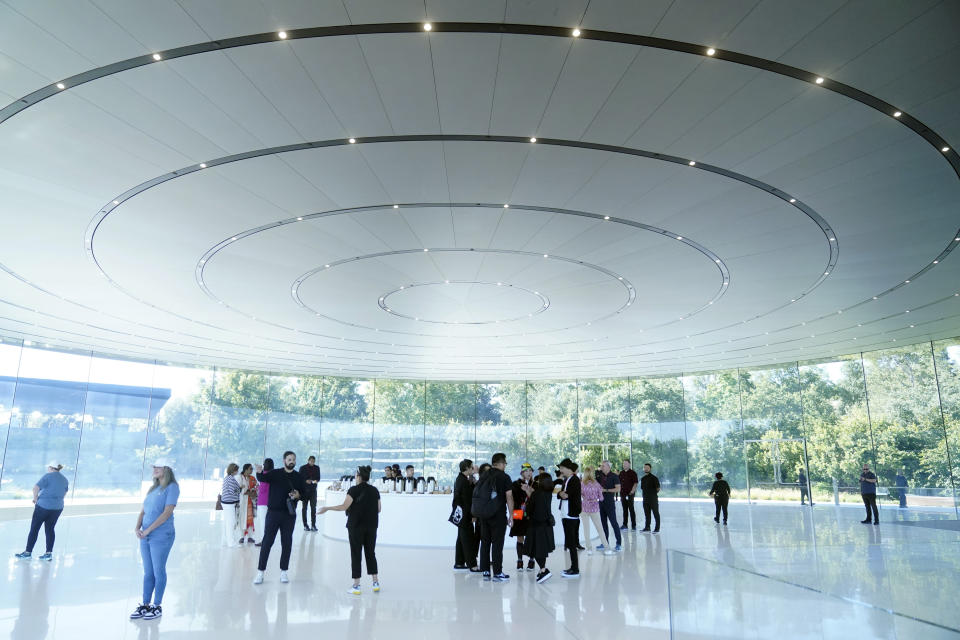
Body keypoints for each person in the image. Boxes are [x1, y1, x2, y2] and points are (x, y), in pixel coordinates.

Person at [130, 459, 179, 621]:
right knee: (148, 572)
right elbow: (143, 511)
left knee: (158, 571)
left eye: (157, 467)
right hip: (145, 535)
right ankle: (145, 604)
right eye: (154, 467)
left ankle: (157, 606)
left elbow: (166, 513)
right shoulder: (153, 488)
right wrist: (137, 528)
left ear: (166, 469)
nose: (154, 469)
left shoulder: (172, 488)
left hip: (161, 535)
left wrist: (149, 529)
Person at [320, 465, 381, 595]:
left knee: (356, 554)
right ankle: (375, 582)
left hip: (356, 527)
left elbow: (343, 506)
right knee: (370, 553)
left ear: (358, 477)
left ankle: (356, 586)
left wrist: (327, 508)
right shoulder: (374, 490)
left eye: (355, 475)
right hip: (371, 526)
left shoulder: (353, 490)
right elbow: (379, 509)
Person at [253, 451, 306, 585]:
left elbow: (304, 494)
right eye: (289, 459)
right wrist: (259, 472)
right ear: (284, 460)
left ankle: (284, 571)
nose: (291, 461)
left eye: (293, 459)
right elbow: (262, 479)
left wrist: (298, 495)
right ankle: (260, 572)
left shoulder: (298, 477)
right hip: (273, 513)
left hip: (289, 515)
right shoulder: (276, 473)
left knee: (286, 543)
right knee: (267, 542)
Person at [15, 461, 69, 561]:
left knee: (34, 529)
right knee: (50, 529)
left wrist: (35, 499)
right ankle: (48, 553)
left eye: (48, 467)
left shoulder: (48, 476)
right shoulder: (64, 479)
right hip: (57, 508)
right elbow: (65, 492)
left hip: (43, 507)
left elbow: (36, 487)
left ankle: (28, 553)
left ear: (51, 468)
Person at [474, 453, 513, 582]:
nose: (505, 466)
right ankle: (497, 573)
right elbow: (509, 497)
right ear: (501, 463)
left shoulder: (485, 475)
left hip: (484, 515)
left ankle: (485, 571)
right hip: (498, 515)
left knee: (485, 542)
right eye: (505, 463)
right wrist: (511, 515)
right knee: (497, 543)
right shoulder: (504, 477)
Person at [523, 472, 556, 583]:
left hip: (536, 526)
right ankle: (542, 571)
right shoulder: (548, 493)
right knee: (541, 550)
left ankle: (544, 570)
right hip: (546, 525)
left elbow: (530, 509)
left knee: (536, 550)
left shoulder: (537, 494)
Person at [452, 459, 480, 572]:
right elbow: (468, 501)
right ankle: (472, 565)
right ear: (467, 468)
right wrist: (472, 514)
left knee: (461, 538)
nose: (473, 469)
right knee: (468, 539)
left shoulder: (461, 479)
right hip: (465, 515)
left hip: (461, 514)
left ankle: (459, 563)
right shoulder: (463, 481)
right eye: (471, 467)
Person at [557, 458, 582, 578]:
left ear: (568, 468)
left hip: (571, 515)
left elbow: (566, 495)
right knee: (570, 542)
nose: (560, 470)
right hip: (565, 514)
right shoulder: (567, 479)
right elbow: (560, 494)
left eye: (561, 468)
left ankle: (575, 569)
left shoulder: (575, 480)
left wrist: (562, 494)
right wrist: (561, 494)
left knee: (572, 544)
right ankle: (572, 567)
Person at [580, 465, 612, 555]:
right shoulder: (597, 484)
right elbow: (601, 498)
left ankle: (589, 549)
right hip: (594, 508)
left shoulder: (581, 484)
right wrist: (595, 498)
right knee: (600, 529)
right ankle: (607, 548)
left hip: (584, 508)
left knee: (586, 530)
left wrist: (585, 497)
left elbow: (580, 495)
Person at [510, 464, 536, 571]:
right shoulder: (515, 484)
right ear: (522, 473)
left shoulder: (535, 484)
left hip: (531, 514)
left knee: (532, 537)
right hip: (518, 513)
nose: (529, 473)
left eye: (530, 471)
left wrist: (529, 490)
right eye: (526, 471)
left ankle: (532, 560)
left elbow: (536, 498)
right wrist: (511, 514)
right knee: (520, 537)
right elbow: (511, 498)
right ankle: (519, 560)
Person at [597, 460, 622, 551]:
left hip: (610, 503)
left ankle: (619, 543)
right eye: (601, 466)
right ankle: (605, 542)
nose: (601, 467)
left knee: (613, 523)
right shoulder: (600, 476)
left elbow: (618, 489)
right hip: (601, 502)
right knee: (603, 524)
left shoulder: (614, 476)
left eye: (603, 466)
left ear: (608, 467)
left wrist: (606, 490)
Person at [220, 463, 243, 548]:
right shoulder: (230, 479)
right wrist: (240, 488)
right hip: (229, 503)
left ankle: (225, 541)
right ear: (233, 470)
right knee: (231, 522)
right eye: (236, 470)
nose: (237, 471)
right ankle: (231, 542)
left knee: (226, 522)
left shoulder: (227, 478)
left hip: (226, 502)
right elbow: (233, 491)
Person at [254, 458, 273, 546]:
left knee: (263, 522)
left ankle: (264, 540)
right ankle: (267, 540)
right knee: (268, 522)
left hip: (262, 502)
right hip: (270, 501)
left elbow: (262, 489)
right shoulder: (273, 474)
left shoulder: (264, 475)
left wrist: (258, 488)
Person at [300, 456, 321, 532]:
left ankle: (313, 525)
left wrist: (315, 481)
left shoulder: (317, 468)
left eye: (313, 461)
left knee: (313, 508)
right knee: (304, 508)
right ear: (308, 460)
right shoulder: (302, 468)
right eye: (311, 461)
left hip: (313, 491)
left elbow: (318, 478)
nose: (312, 462)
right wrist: (305, 481)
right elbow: (300, 478)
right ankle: (305, 525)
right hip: (305, 491)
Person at [239, 463, 258, 544]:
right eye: (250, 469)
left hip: (251, 502)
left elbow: (257, 486)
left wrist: (253, 490)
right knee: (242, 519)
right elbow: (240, 490)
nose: (252, 470)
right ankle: (242, 537)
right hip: (243, 502)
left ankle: (250, 537)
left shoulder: (252, 478)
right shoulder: (240, 477)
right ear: (246, 469)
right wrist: (248, 491)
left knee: (251, 519)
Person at [640, 463, 661, 533]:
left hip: (653, 499)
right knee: (647, 514)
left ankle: (657, 528)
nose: (646, 469)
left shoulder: (654, 478)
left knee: (655, 513)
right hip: (645, 499)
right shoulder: (643, 479)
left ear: (650, 468)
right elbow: (642, 488)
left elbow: (658, 489)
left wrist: (652, 494)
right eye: (645, 467)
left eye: (647, 467)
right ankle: (647, 527)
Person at [619, 459, 639, 531]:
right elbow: (619, 483)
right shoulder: (621, 473)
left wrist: (632, 491)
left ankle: (634, 525)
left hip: (630, 494)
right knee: (624, 510)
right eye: (623, 464)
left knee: (631, 509)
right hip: (623, 494)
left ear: (629, 464)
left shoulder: (633, 473)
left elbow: (635, 483)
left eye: (626, 464)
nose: (624, 465)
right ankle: (625, 525)